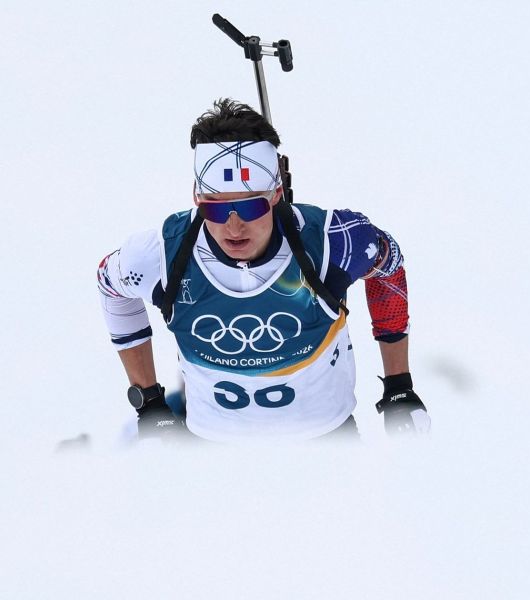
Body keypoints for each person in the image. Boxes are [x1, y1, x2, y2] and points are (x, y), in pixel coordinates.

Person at [97, 99, 430, 442]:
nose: (234, 226)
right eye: (216, 209)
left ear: (276, 195)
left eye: (250, 205)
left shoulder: (333, 241)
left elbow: (388, 267)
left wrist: (398, 387)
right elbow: (110, 285)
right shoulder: (159, 255)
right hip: (214, 447)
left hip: (325, 442)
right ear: (197, 199)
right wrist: (149, 401)